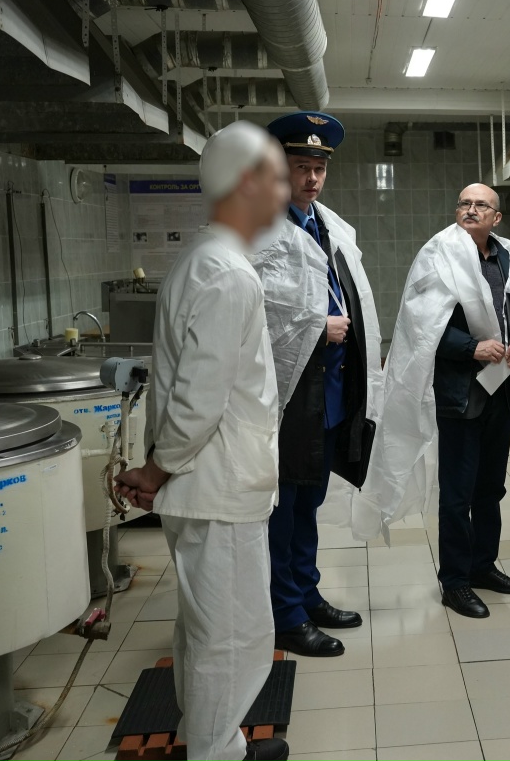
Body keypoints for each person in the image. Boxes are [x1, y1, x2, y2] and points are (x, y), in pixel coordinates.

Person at [114, 121, 290, 761]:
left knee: (205, 626)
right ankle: (217, 753)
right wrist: (158, 469)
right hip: (218, 485)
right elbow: (200, 398)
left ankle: (214, 740)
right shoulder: (227, 275)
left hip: (206, 483)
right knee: (235, 635)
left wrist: (161, 467)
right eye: (274, 178)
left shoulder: (203, 260)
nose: (284, 192)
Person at [351, 183, 510, 619]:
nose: (471, 209)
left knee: (490, 488)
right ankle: (455, 582)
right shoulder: (437, 255)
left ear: (497, 217)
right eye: (464, 203)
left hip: (502, 392)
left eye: (481, 205)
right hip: (461, 395)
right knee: (457, 493)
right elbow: (422, 327)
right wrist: (472, 348)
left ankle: (483, 566)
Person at [252, 111, 382, 658]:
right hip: (288, 397)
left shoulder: (327, 226)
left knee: (309, 502)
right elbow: (254, 313)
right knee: (282, 510)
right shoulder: (260, 229)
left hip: (328, 395)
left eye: (318, 168)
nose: (311, 178)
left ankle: (305, 594)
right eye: (301, 167)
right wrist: (316, 326)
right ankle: (284, 614)